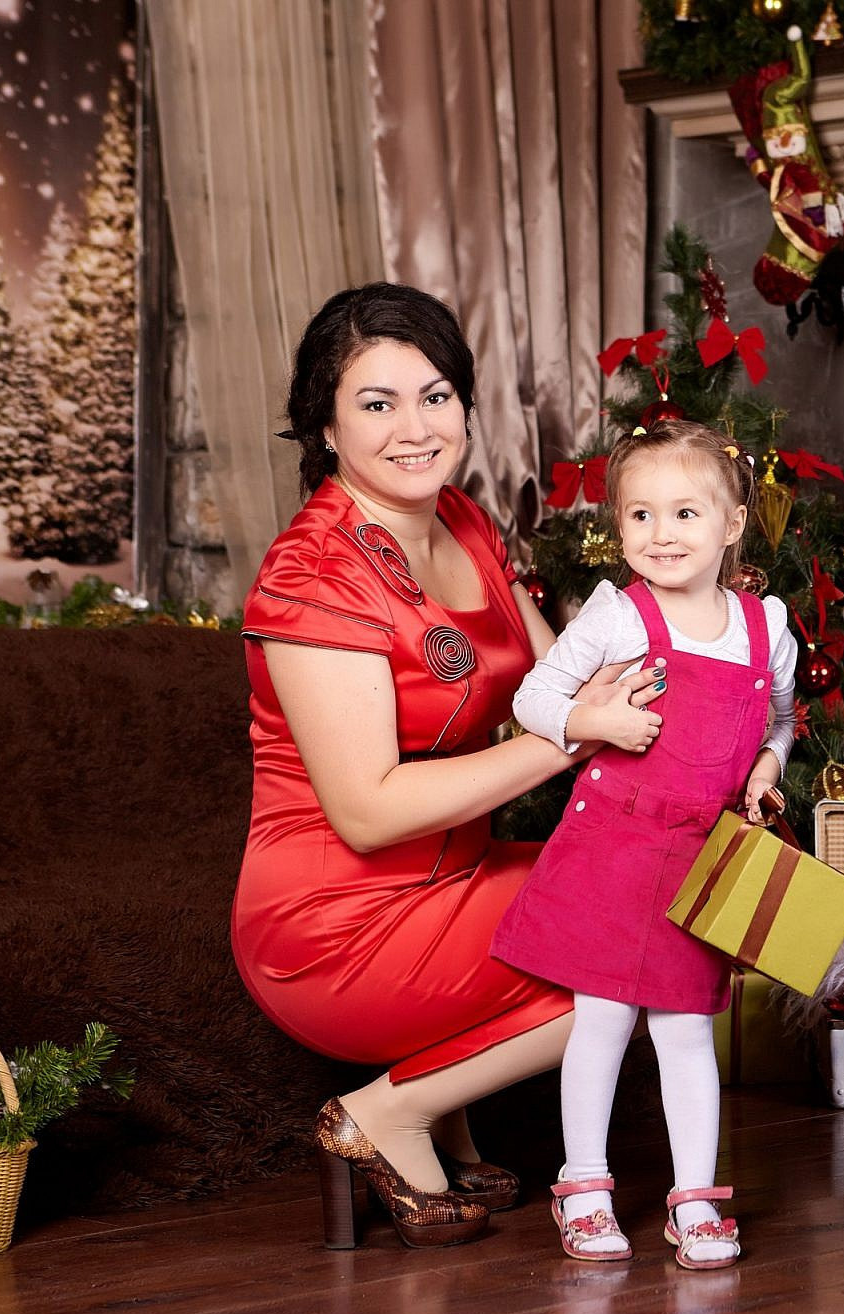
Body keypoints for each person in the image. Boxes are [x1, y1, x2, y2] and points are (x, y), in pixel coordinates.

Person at [232, 282, 667, 1250]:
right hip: (336, 924)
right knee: (641, 937)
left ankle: (439, 1104)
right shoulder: (311, 572)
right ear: (325, 425)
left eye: (434, 396)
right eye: (375, 405)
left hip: (453, 880)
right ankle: (388, 1110)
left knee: (670, 891)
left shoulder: (460, 519)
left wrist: (699, 669)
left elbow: (563, 674)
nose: (413, 428)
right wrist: (570, 735)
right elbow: (370, 812)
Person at [491, 420, 799, 1270]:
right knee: (601, 1020)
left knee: (686, 1028)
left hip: (702, 860)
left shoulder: (764, 626)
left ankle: (694, 1199)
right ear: (620, 526)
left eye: (686, 514)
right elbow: (534, 698)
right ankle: (584, 1185)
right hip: (616, 847)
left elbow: (780, 717)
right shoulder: (617, 615)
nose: (661, 536)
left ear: (732, 523)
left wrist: (766, 767)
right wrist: (600, 721)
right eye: (640, 517)